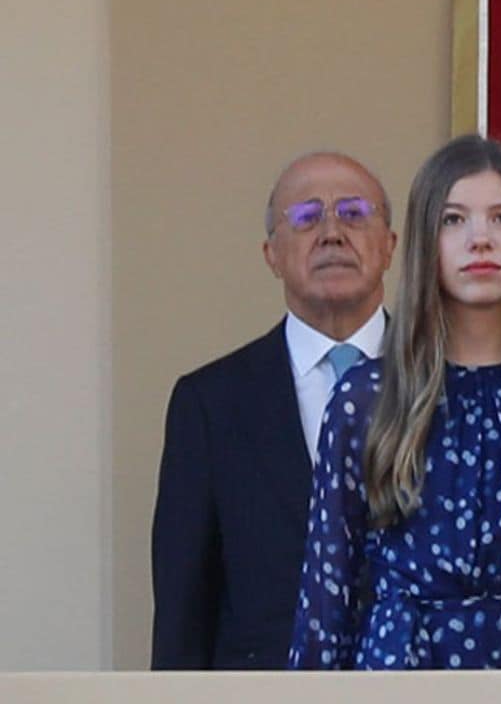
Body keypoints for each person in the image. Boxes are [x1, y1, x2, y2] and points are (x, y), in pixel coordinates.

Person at [287, 135, 501, 669]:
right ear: (427, 241)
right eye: (454, 220)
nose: (480, 239)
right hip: (402, 671)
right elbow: (325, 596)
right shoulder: (367, 397)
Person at [151, 152, 396, 668]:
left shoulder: (446, 387)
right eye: (306, 217)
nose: (332, 232)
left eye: (353, 212)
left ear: (390, 245)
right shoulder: (210, 405)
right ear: (271, 255)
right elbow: (183, 609)